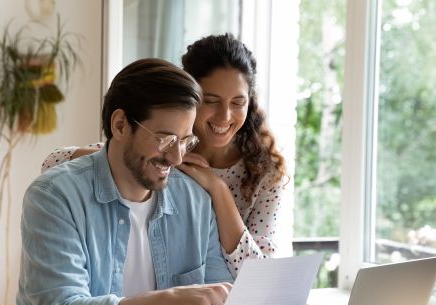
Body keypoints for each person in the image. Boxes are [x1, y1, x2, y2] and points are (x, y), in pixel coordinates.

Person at [7, 58, 315, 305]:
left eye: (185, 141)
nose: (177, 158)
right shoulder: (54, 197)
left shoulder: (194, 199)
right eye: (166, 140)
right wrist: (169, 300)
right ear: (120, 125)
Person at [42, 34, 289, 277]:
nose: (225, 116)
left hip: (226, 302)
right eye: (211, 101)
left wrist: (218, 190)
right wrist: (117, 156)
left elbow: (260, 275)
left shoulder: (263, 172)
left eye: (238, 102)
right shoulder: (158, 151)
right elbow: (53, 163)